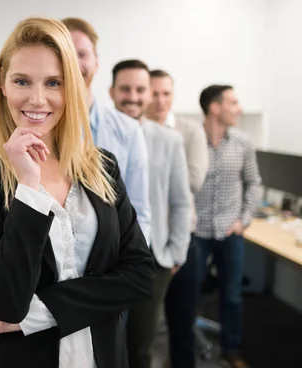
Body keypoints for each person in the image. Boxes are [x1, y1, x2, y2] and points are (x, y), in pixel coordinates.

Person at [0, 17, 155, 368]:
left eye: (53, 82)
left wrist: (41, 312)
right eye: (22, 81)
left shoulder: (102, 167)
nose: (37, 98)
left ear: (71, 88)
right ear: (3, 84)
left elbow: (139, 276)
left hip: (101, 355)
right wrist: (28, 187)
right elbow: (5, 304)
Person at [108, 60, 190, 368]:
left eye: (140, 90)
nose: (133, 96)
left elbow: (181, 202)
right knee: (102, 344)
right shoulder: (93, 134)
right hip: (103, 260)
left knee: (139, 346)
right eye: (125, 89)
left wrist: (175, 254)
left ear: (149, 94)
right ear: (111, 91)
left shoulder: (168, 140)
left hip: (152, 260)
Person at [61, 17, 151, 243]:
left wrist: (134, 270)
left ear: (96, 61)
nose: (74, 62)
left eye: (81, 54)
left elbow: (139, 209)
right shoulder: (39, 126)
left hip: (112, 261)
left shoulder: (128, 130)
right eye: (65, 53)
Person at [195, 85, 261, 368]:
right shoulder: (191, 139)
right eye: (233, 102)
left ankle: (230, 349)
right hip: (195, 232)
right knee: (187, 293)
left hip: (229, 231)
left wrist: (243, 220)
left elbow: (253, 182)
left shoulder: (243, 142)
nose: (239, 108)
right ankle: (182, 348)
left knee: (232, 295)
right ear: (215, 107)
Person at [147, 69, 209, 368]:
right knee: (143, 331)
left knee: (181, 324)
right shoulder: (135, 130)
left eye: (166, 93)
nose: (160, 100)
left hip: (184, 240)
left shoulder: (189, 130)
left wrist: (164, 162)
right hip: (147, 243)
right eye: (154, 93)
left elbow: (194, 181)